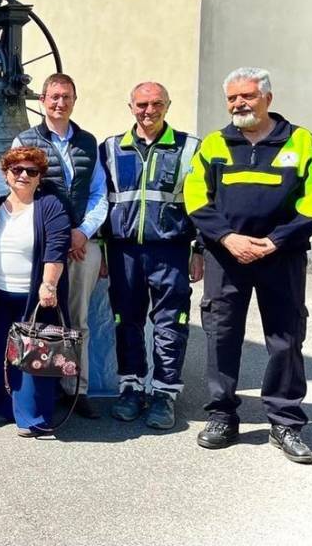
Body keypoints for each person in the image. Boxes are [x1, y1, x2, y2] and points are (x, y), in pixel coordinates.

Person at [184, 67, 312, 464]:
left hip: (282, 256)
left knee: (285, 337)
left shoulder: (301, 141)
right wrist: (228, 238)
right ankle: (222, 415)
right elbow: (195, 197)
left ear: (268, 99)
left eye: (247, 96)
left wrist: (276, 241)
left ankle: (285, 420)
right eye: (232, 98)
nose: (239, 104)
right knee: (221, 334)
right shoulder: (214, 144)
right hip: (226, 257)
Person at [99, 82, 203, 430]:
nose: (149, 110)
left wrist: (199, 249)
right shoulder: (111, 149)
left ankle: (164, 394)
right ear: (130, 107)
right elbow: (103, 201)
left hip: (170, 250)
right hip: (123, 249)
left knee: (171, 323)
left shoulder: (189, 148)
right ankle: (131, 389)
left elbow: (205, 203)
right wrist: (101, 250)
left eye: (157, 103)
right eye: (142, 104)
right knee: (125, 321)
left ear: (167, 105)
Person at [13, 73, 108, 419]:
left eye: (66, 96)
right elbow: (19, 189)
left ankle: (76, 389)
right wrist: (59, 234)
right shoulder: (26, 139)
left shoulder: (88, 142)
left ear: (74, 100)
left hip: (82, 244)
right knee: (42, 319)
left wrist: (82, 231)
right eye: (53, 96)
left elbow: (99, 193)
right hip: (44, 246)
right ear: (42, 100)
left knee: (78, 320)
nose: (59, 103)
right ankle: (43, 387)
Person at [0, 147, 72, 435]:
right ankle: (5, 407)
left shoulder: (49, 206)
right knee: (3, 353)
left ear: (40, 178)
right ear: (6, 174)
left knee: (36, 357)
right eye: (17, 170)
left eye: (31, 171)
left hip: (35, 297)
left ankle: (33, 418)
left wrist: (48, 284)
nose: (23, 175)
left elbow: (56, 248)